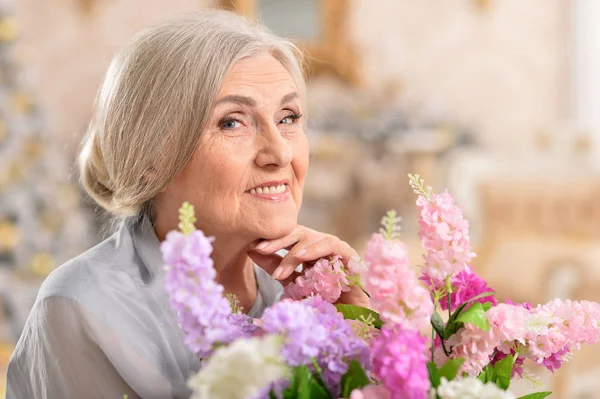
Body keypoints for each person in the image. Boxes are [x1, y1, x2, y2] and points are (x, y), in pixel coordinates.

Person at [6, 9, 368, 399]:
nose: (280, 152)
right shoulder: (81, 307)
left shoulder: (313, 294)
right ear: (149, 160)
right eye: (232, 122)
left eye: (288, 117)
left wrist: (362, 329)